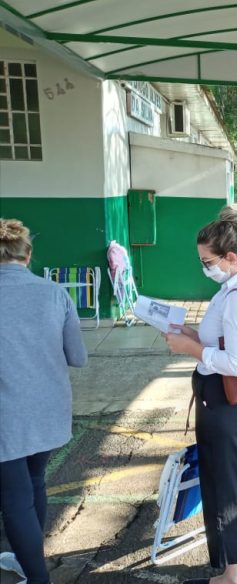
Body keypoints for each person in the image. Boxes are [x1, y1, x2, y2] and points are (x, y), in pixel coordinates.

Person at [163, 208, 237, 584]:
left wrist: (191, 349)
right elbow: (227, 342)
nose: (204, 268)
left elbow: (236, 363)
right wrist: (193, 336)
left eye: (207, 261)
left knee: (226, 483)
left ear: (230, 257)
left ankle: (232, 575)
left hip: (228, 400)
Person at [0, 219, 88, 584]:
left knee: (14, 500)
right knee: (35, 481)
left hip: (7, 418)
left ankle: (37, 578)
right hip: (50, 411)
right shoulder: (55, 293)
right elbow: (78, 357)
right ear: (28, 255)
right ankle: (29, 562)